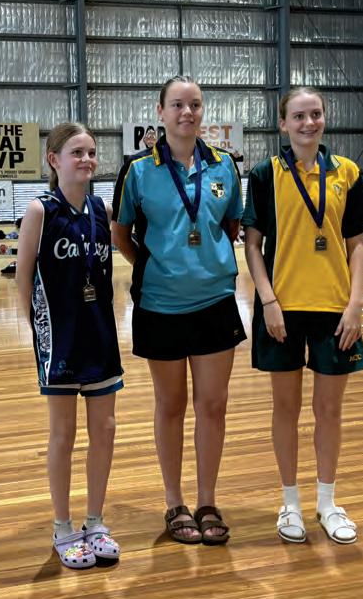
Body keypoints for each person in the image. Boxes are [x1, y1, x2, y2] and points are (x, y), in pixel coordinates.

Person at [242, 86, 363, 545]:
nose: (308, 123)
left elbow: (356, 245)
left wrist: (355, 305)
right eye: (299, 116)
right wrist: (268, 301)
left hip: (334, 310)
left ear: (324, 118)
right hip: (281, 310)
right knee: (286, 409)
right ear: (283, 123)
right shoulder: (265, 174)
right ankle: (290, 503)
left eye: (315, 114)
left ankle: (327, 503)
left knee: (329, 410)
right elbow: (253, 245)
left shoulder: (346, 172)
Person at [112, 75, 246, 546]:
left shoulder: (224, 165)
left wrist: (203, 262)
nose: (187, 112)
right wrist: (154, 267)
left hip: (215, 302)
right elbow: (121, 233)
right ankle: (175, 502)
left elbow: (231, 226)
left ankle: (207, 501)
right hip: (160, 305)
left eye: (195, 104)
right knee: (170, 405)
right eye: (177, 105)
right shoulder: (137, 170)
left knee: (213, 405)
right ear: (160, 111)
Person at [16, 122, 123, 570]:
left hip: (99, 330)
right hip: (59, 337)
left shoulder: (101, 208)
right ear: (54, 159)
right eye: (77, 152)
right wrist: (37, 330)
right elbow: (23, 277)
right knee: (63, 434)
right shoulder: (39, 211)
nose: (86, 159)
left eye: (91, 152)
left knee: (106, 429)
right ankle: (62, 527)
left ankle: (94, 521)